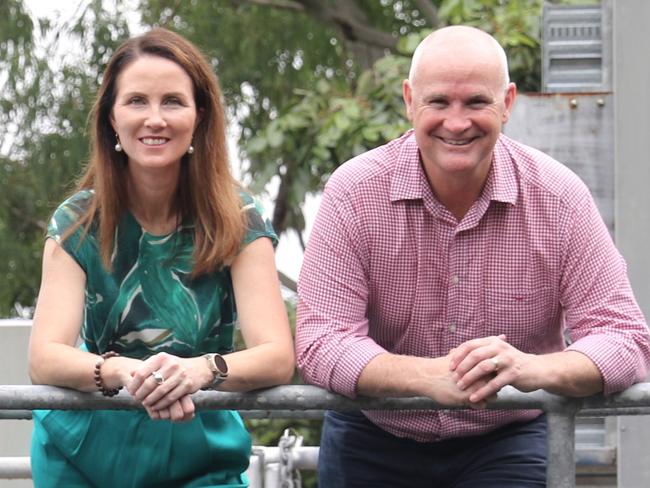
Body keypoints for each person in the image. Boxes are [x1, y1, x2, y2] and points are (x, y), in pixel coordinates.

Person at [296, 25, 650, 487]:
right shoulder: (354, 194)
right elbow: (321, 339)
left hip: (505, 438)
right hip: (374, 433)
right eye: (439, 102)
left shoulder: (559, 198)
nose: (457, 122)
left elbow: (625, 339)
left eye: (476, 102)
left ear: (507, 102)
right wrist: (426, 377)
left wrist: (531, 368)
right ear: (409, 100)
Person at [28, 28, 294, 487]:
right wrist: (127, 372)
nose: (155, 119)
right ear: (111, 117)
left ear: (199, 116)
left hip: (198, 439)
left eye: (172, 101)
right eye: (136, 101)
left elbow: (276, 355)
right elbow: (44, 357)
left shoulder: (240, 220)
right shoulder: (77, 221)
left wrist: (198, 370)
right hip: (85, 445)